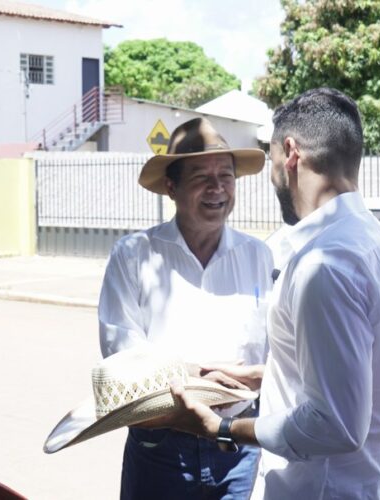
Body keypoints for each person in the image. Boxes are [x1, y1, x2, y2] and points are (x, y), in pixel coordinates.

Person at [149, 88, 380, 499]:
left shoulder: (325, 264)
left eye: (272, 159)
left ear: (291, 153)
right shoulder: (375, 241)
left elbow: (335, 424)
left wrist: (222, 428)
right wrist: (271, 373)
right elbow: (362, 371)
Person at [98, 117, 274, 500]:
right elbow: (120, 357)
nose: (217, 188)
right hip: (160, 446)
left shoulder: (259, 255)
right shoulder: (134, 256)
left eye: (225, 176)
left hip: (239, 448)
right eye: (201, 177)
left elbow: (278, 350)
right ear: (171, 187)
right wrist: (197, 376)